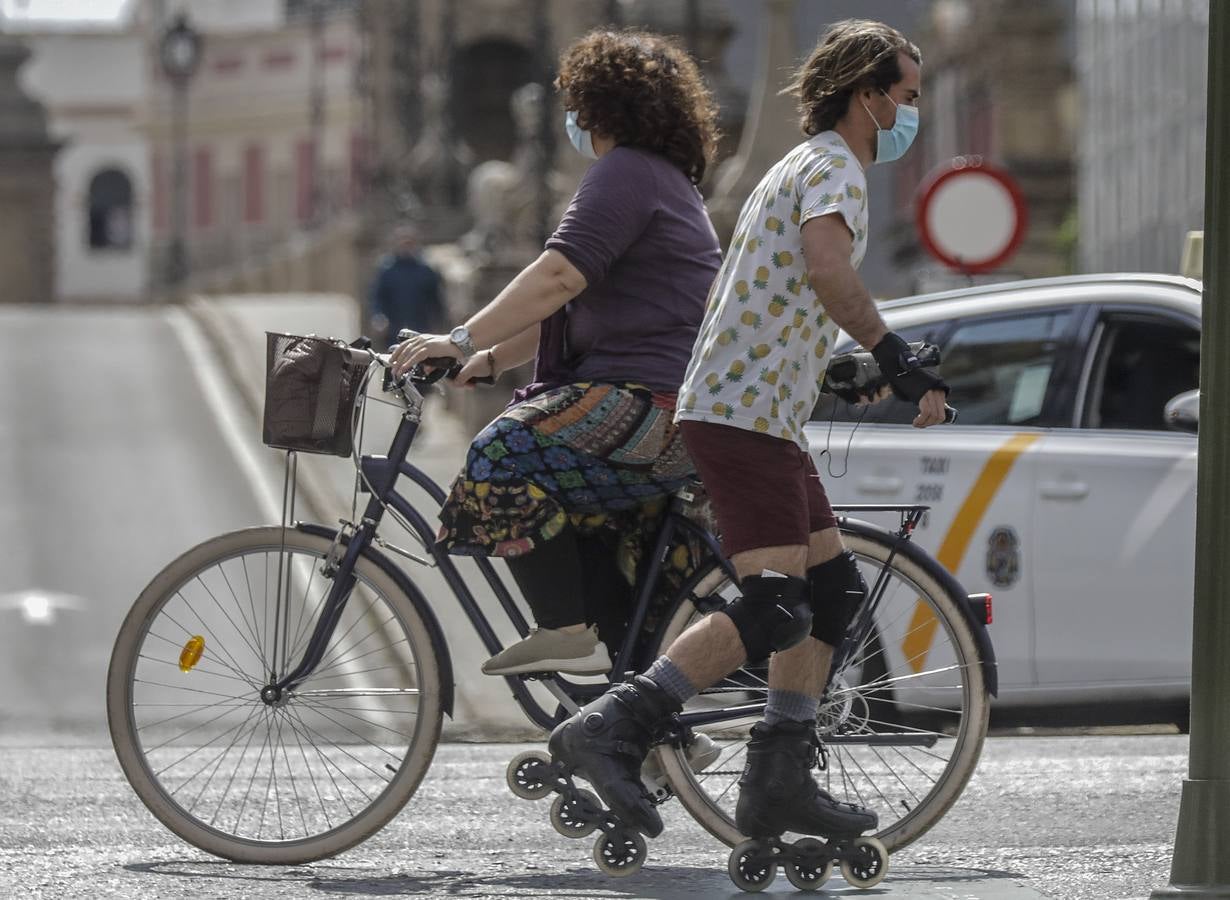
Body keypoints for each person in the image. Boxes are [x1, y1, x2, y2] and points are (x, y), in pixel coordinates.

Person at [545, 19, 949, 845]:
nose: (915, 111)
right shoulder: (834, 165)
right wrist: (892, 350)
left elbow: (787, 291)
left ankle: (780, 776)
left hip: (759, 409)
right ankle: (612, 726)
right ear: (867, 95)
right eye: (906, 95)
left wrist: (841, 363)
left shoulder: (803, 165)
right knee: (771, 607)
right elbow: (829, 269)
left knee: (833, 594)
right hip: (741, 413)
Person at [391, 29, 722, 677]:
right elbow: (564, 310)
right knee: (599, 560)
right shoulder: (662, 179)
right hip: (671, 407)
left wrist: (457, 337)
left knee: (501, 453)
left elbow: (557, 277)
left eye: (575, 104)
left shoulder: (627, 173)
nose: (569, 119)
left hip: (651, 406)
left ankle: (565, 630)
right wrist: (482, 360)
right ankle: (636, 731)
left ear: (603, 108)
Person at [368, 225, 445, 350]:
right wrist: (378, 316)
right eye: (403, 242)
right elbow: (377, 296)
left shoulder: (425, 270)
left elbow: (436, 300)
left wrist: (438, 323)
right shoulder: (387, 270)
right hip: (394, 326)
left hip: (420, 325)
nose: (406, 246)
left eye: (409, 242)